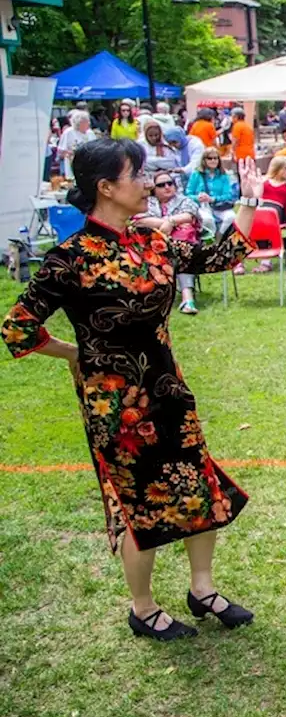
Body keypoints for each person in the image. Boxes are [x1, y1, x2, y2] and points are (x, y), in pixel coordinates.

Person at [2, 138, 264, 639]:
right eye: (136, 175)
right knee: (137, 502)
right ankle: (143, 609)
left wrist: (249, 200)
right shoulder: (70, 258)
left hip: (167, 387)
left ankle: (202, 589)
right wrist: (76, 353)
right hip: (115, 406)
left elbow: (218, 256)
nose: (147, 183)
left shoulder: (151, 241)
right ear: (105, 187)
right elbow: (17, 328)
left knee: (196, 482)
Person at [134, 171, 203, 315]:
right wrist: (170, 223)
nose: (167, 187)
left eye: (170, 183)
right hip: (153, 250)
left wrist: (169, 222)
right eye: (161, 185)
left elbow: (190, 216)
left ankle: (187, 299)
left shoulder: (185, 201)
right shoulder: (147, 203)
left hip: (183, 249)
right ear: (154, 189)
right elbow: (140, 220)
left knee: (182, 256)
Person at [186, 147, 238, 235]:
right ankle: (209, 240)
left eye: (215, 158)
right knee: (207, 219)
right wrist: (198, 198)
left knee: (231, 217)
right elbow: (188, 194)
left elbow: (229, 195)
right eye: (210, 158)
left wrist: (213, 199)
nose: (213, 161)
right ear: (204, 160)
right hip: (202, 206)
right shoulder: (196, 174)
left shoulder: (224, 175)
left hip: (220, 206)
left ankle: (220, 237)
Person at [58, 110, 94, 178]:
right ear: (79, 122)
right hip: (72, 165)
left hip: (88, 165)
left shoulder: (90, 133)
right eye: (86, 121)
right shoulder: (68, 132)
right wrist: (71, 153)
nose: (89, 123)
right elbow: (61, 151)